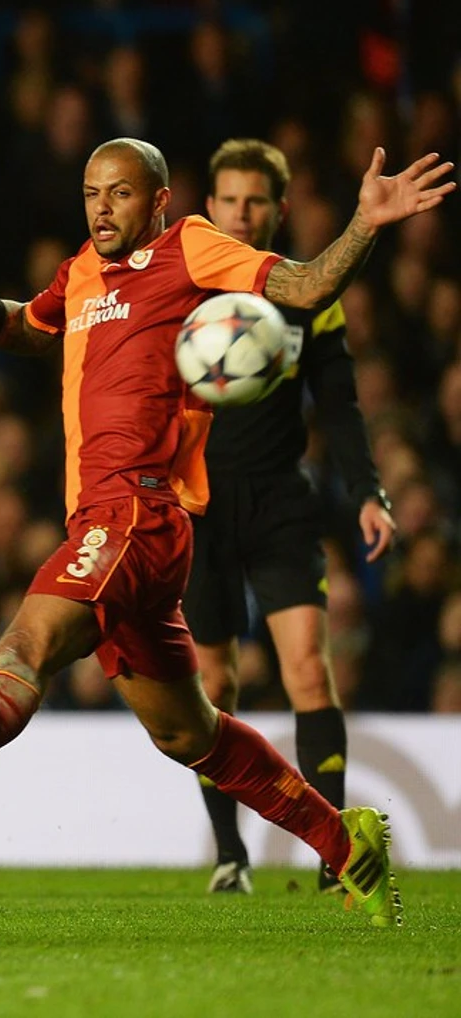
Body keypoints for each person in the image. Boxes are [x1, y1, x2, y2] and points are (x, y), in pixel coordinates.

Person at [0, 137, 453, 929]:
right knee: (190, 732)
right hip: (118, 525)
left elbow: (306, 284)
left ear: (157, 200)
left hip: (135, 512)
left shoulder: (191, 245)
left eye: (119, 194)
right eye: (92, 193)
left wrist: (365, 223)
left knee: (24, 648)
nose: (102, 208)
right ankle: (344, 841)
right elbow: (35, 327)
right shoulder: (82, 271)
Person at [190, 138, 397, 895]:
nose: (242, 214)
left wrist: (368, 492)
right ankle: (229, 855)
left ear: (279, 211)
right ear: (209, 207)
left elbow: (339, 405)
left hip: (280, 501)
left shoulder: (311, 292)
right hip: (198, 507)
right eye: (230, 200)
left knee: (309, 665)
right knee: (213, 685)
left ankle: (336, 857)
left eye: (256, 202)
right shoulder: (183, 289)